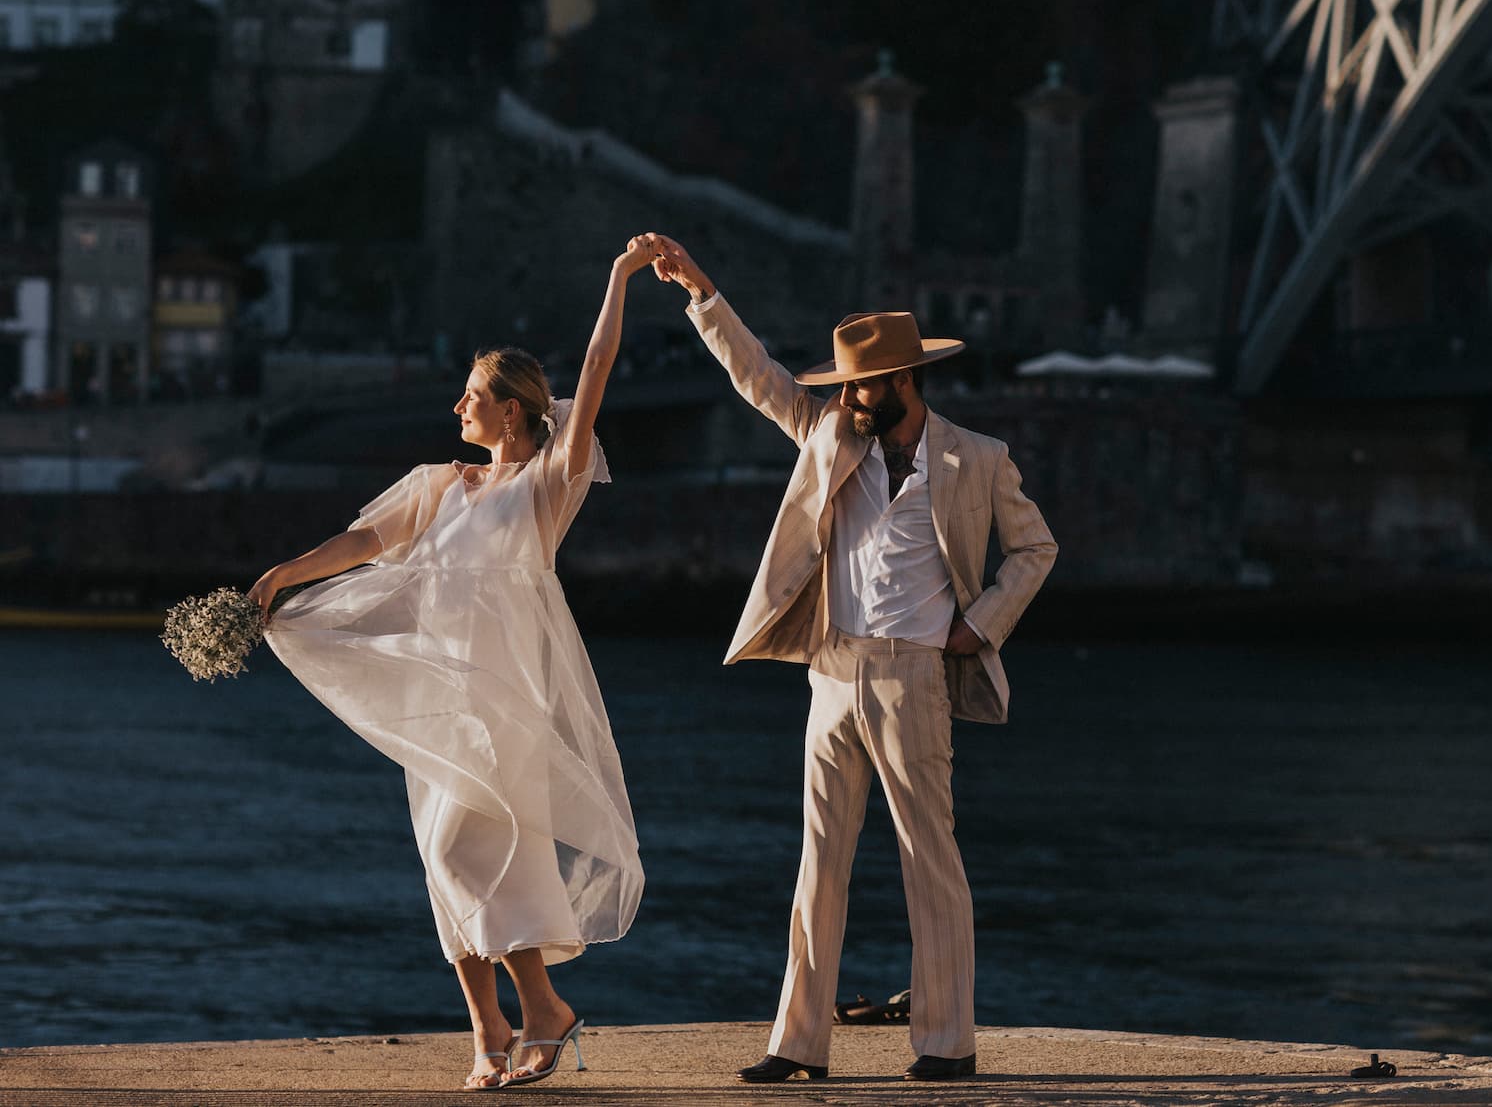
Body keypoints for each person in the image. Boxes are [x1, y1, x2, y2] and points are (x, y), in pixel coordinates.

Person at [249, 235, 664, 1090]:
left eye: (471, 396)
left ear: (511, 410)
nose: (456, 407)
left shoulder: (548, 483)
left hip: (508, 700)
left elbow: (596, 366)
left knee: (464, 850)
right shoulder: (440, 484)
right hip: (438, 696)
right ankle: (488, 1032)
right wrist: (288, 571)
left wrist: (620, 277)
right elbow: (365, 540)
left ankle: (543, 1009)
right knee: (444, 861)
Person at [644, 235, 1057, 1085]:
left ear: (905, 379)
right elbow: (760, 378)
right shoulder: (831, 434)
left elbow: (1035, 548)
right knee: (817, 861)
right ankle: (798, 1044)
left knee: (928, 858)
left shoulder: (976, 458)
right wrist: (700, 292)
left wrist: (978, 627)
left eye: (863, 383)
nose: (850, 396)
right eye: (844, 385)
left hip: (914, 674)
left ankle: (947, 1042)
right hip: (830, 672)